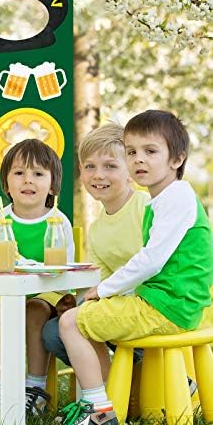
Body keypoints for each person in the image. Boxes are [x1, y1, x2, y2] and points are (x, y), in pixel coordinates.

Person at [57, 110, 212, 425]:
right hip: (165, 302)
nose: (139, 159)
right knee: (81, 315)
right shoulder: (162, 200)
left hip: (167, 306)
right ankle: (113, 398)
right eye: (131, 152)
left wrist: (103, 290)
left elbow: (151, 260)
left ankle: (98, 409)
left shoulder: (176, 197)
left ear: (177, 159)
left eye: (150, 151)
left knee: (70, 323)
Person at [0, 138, 74, 416]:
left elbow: (65, 271)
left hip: (44, 295)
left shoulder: (58, 222)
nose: (28, 180)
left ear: (52, 185)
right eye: (19, 173)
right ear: (6, 184)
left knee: (35, 310)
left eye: (38, 173)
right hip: (3, 293)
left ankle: (35, 388)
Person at [42, 122, 149, 366]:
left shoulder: (145, 208)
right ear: (81, 171)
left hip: (149, 307)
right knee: (52, 332)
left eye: (110, 166)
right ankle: (111, 381)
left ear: (131, 171)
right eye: (90, 167)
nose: (98, 175)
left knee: (69, 325)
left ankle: (144, 372)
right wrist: (79, 303)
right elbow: (101, 280)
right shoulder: (98, 228)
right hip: (117, 308)